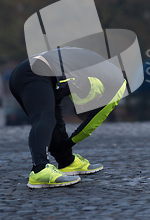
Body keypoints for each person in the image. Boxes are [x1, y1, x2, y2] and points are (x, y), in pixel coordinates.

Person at [9, 46, 127, 188]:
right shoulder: (116, 84)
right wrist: (70, 142)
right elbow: (93, 123)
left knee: (53, 120)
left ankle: (67, 162)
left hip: (36, 73)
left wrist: (64, 149)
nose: (82, 109)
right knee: (44, 118)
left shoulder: (94, 71)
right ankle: (39, 170)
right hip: (35, 74)